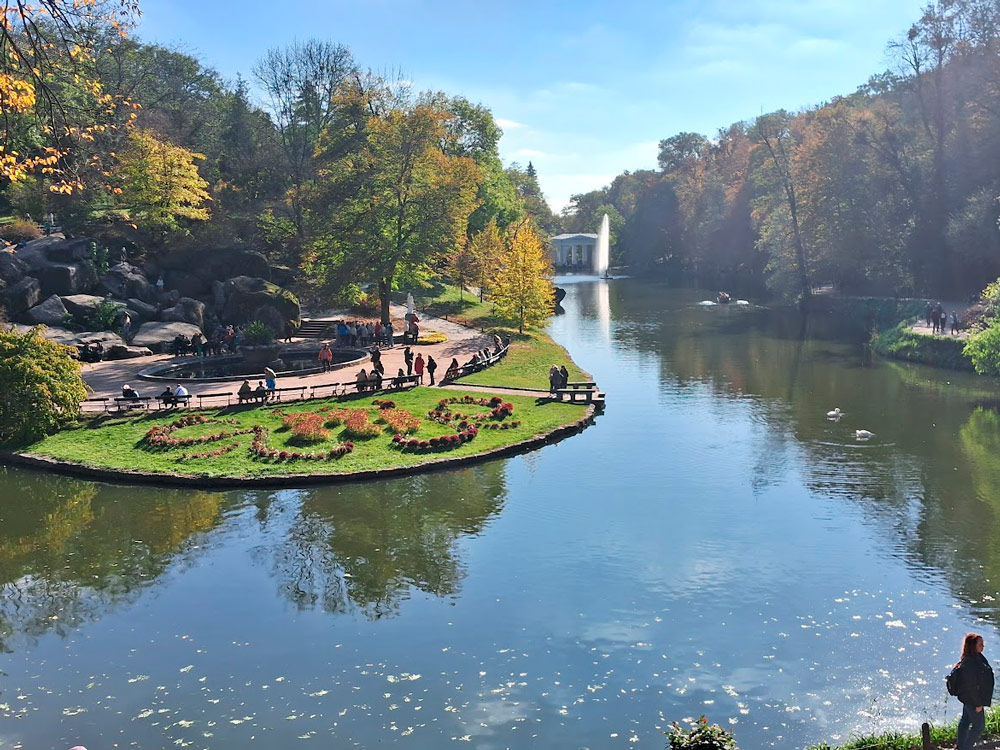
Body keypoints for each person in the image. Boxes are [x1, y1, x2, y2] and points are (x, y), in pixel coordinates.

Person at [953, 632, 994, 750]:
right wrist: (978, 703)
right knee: (979, 726)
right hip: (973, 701)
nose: (983, 646)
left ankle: (961, 746)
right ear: (973, 646)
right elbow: (971, 686)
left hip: (968, 699)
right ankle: (966, 747)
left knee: (965, 721)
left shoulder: (974, 658)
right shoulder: (971, 663)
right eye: (980, 644)